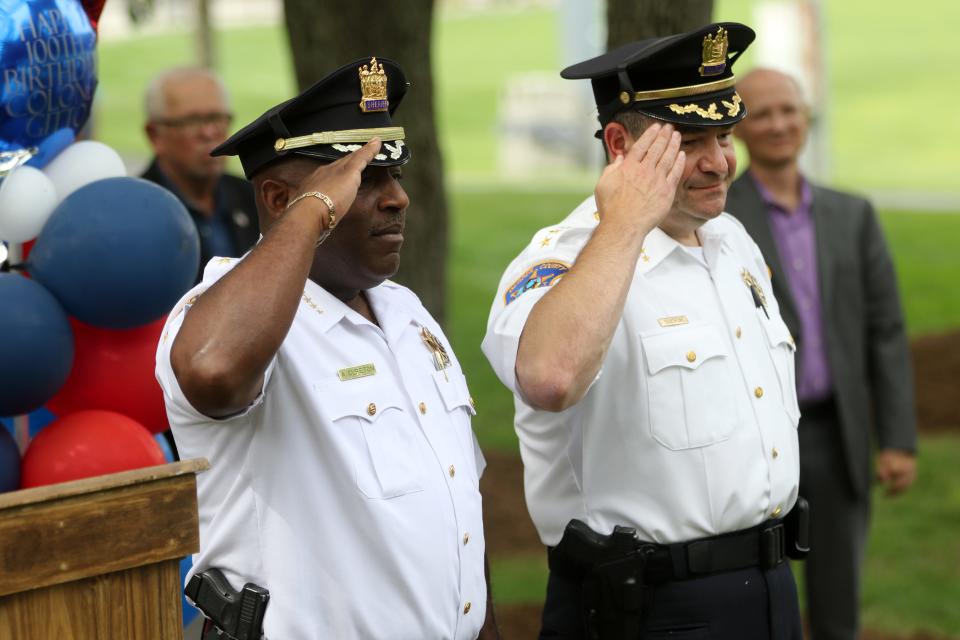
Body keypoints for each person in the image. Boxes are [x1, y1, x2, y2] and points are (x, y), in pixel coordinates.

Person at [155, 57, 498, 640]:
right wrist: (314, 210)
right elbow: (212, 371)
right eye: (363, 180)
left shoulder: (408, 313)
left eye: (395, 175)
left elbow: (457, 500)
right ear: (277, 197)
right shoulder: (218, 312)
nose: (398, 199)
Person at [483, 23, 806, 639]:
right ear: (618, 144)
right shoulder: (563, 260)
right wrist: (625, 226)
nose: (719, 162)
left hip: (766, 590)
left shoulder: (731, 240)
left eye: (725, 135)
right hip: (644, 608)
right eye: (689, 142)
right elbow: (549, 378)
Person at [727, 68, 917, 640]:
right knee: (754, 600)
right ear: (737, 127)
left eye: (789, 109)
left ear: (807, 115)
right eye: (761, 113)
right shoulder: (722, 218)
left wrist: (898, 439)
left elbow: (885, 329)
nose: (779, 124)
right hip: (754, 440)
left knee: (838, 605)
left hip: (837, 435)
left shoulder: (852, 215)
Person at [142, 67, 260, 282]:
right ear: (155, 135)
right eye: (192, 121)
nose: (209, 133)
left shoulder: (255, 197)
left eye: (217, 118)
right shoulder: (139, 213)